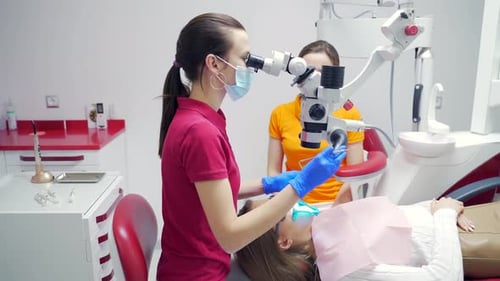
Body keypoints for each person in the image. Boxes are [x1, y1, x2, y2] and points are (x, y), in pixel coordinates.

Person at [156, 13, 347, 281]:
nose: (251, 67)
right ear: (214, 64)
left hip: (197, 264)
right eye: (245, 58)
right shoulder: (199, 131)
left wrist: (268, 184)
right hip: (199, 274)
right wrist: (300, 185)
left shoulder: (201, 119)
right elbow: (231, 237)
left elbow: (210, 192)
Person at [236, 185, 500, 281]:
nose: (289, 201)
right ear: (284, 241)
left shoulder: (330, 227)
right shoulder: (343, 269)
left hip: (460, 219)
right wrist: (444, 213)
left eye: (276, 198)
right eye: (279, 210)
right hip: (469, 242)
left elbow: (399, 217)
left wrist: (436, 205)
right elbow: (443, 276)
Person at [267, 40, 365, 204]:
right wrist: (280, 205)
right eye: (308, 72)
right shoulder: (281, 113)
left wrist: (334, 210)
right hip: (293, 202)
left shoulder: (349, 114)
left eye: (321, 73)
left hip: (337, 203)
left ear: (334, 77)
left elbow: (355, 174)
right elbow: (273, 170)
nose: (314, 80)